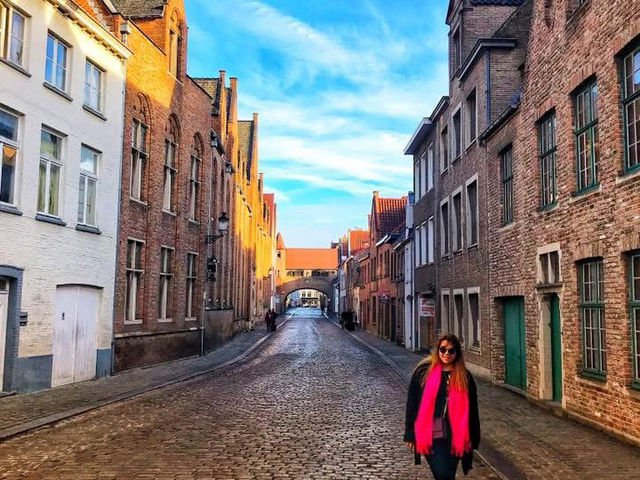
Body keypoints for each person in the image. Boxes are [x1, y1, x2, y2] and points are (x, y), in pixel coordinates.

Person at [404, 334, 480, 480]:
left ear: (457, 353)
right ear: (437, 350)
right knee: (443, 473)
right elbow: (412, 404)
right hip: (430, 433)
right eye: (443, 349)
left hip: (455, 435)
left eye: (451, 351)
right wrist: (409, 433)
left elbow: (473, 409)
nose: (446, 354)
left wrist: (474, 438)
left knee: (448, 474)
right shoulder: (423, 372)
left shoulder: (464, 376)